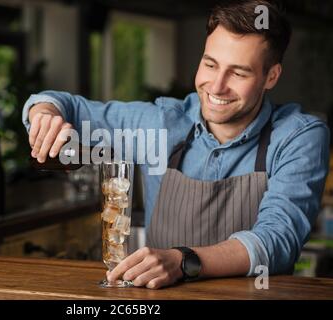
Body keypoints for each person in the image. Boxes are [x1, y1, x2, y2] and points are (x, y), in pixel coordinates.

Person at [21, 0, 330, 289]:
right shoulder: (162, 122)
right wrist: (44, 114)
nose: (217, 86)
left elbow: (277, 240)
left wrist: (183, 261)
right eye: (210, 65)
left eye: (238, 72)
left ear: (271, 76)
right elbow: (64, 105)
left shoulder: (298, 136)